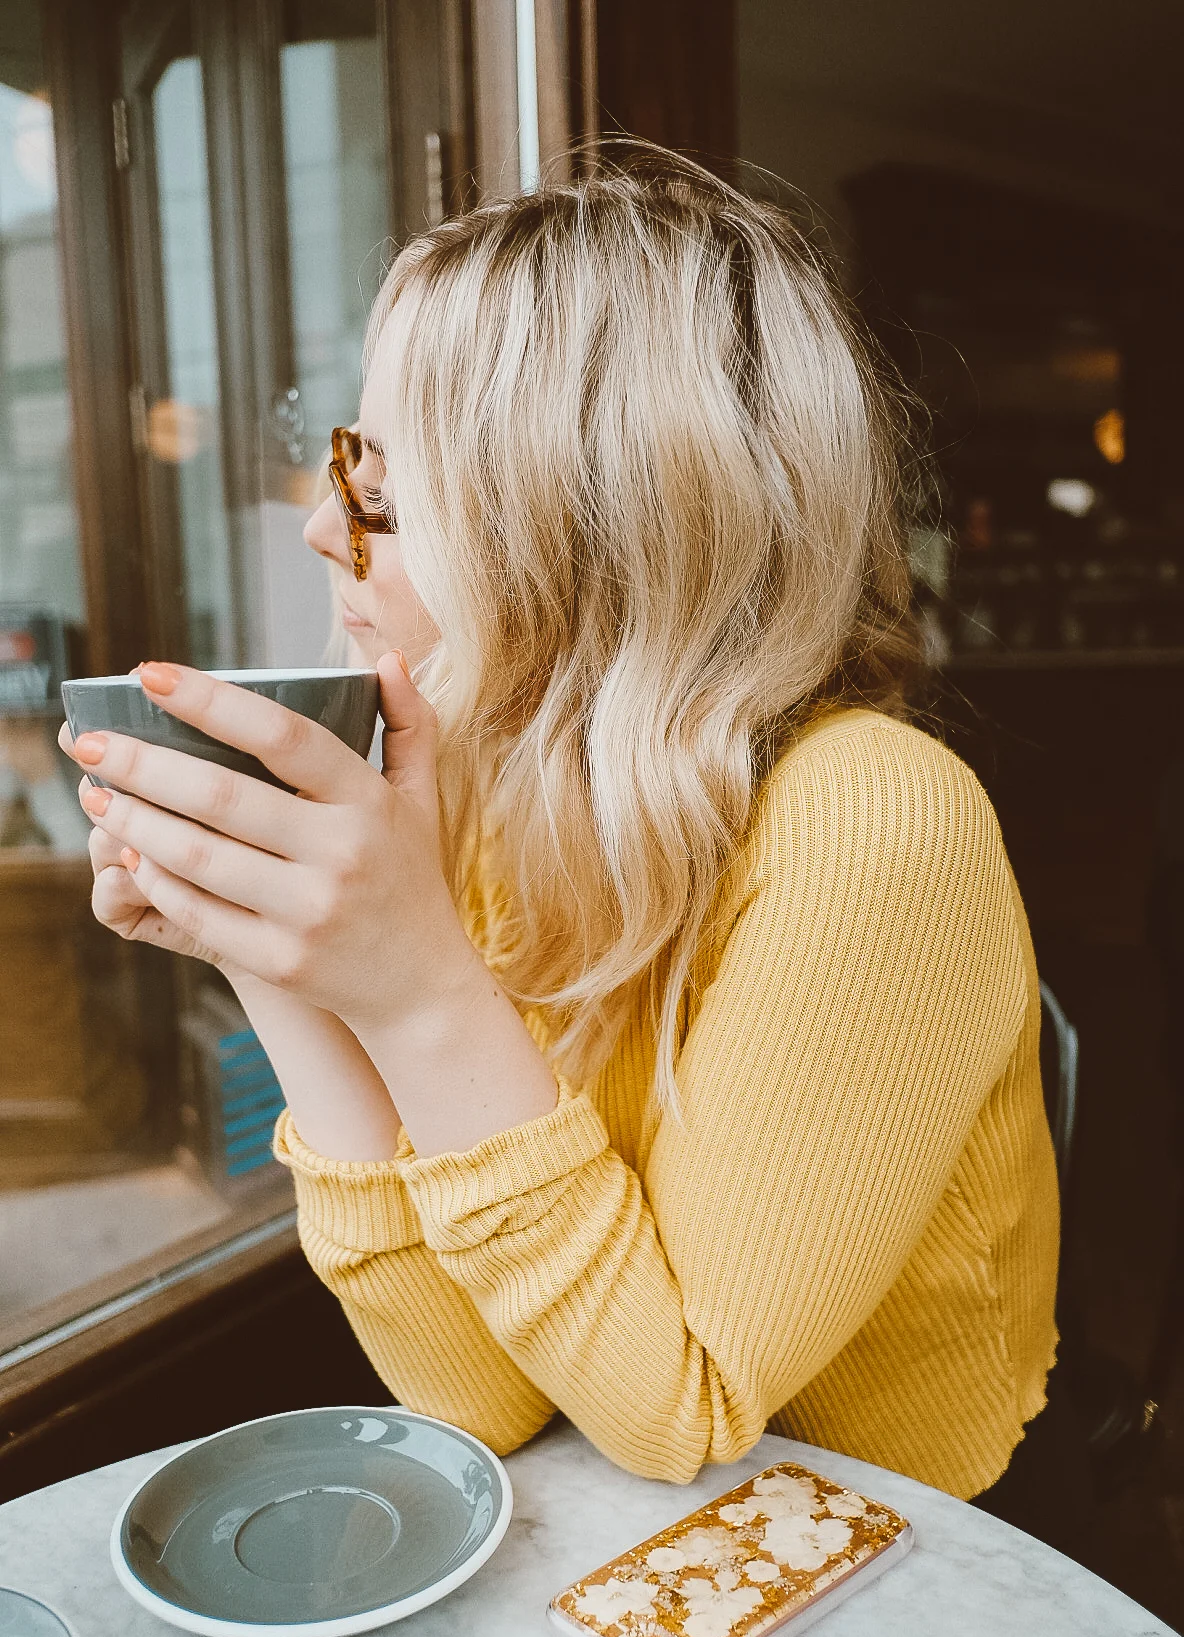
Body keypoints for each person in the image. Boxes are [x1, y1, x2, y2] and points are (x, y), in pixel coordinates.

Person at [66, 147, 1062, 1511]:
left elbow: (684, 1413)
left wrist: (417, 991)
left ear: (590, 534)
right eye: (348, 465)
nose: (319, 530)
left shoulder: (873, 827)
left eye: (383, 492)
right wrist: (267, 948)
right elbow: (482, 1400)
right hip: (630, 1532)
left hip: (921, 1545)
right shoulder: (481, 789)